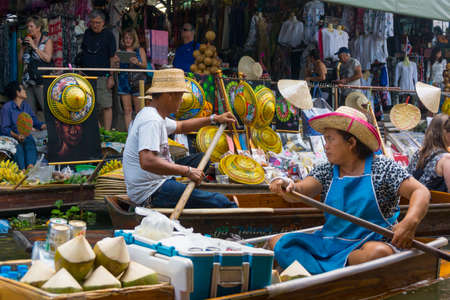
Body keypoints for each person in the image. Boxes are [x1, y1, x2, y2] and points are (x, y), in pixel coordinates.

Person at [268, 106, 430, 275]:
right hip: (330, 242)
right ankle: (327, 273)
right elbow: (301, 190)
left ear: (351, 143)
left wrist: (410, 222)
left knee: (377, 254)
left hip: (369, 244)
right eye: (325, 140)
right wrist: (286, 185)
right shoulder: (327, 170)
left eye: (330, 139)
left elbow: (421, 192)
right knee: (278, 242)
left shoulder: (382, 168)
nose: (326, 146)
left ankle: (311, 272)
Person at [123, 68, 237, 208]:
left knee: (202, 158)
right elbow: (147, 161)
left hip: (160, 179)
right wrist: (187, 171)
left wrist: (215, 118)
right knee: (220, 201)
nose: (182, 100)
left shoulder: (156, 115)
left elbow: (181, 126)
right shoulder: (151, 120)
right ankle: (231, 208)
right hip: (152, 191)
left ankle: (186, 188)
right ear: (169, 95)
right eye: (180, 95)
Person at [79, 10, 117, 130]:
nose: (95, 25)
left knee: (106, 105)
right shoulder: (87, 33)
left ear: (103, 23)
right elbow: (83, 52)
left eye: (98, 23)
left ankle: (107, 132)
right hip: (87, 75)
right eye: (93, 22)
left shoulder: (109, 35)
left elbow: (112, 57)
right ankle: (98, 132)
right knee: (89, 106)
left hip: (103, 76)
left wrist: (111, 76)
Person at [0, 81, 47, 169]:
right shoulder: (7, 108)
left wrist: (44, 126)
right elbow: (4, 128)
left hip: (24, 136)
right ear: (18, 93)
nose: (25, 91)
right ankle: (21, 171)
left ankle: (30, 168)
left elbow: (35, 122)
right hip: (11, 137)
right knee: (18, 149)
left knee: (30, 143)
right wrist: (17, 136)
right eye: (23, 89)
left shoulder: (26, 106)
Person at [18, 15, 53, 120]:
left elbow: (47, 58)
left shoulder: (47, 41)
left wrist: (34, 46)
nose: (29, 29)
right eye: (28, 27)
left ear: (38, 28)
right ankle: (31, 133)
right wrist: (22, 48)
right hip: (28, 81)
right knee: (29, 111)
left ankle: (51, 133)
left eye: (31, 26)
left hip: (41, 81)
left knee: (46, 108)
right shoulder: (28, 41)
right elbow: (20, 61)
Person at [407, 114, 450, 193]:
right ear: (444, 132)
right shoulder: (446, 159)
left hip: (415, 201)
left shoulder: (419, 153)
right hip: (438, 204)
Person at [117, 28, 148, 131]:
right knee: (127, 110)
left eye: (130, 38)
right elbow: (114, 68)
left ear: (134, 39)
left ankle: (139, 132)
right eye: (126, 38)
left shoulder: (140, 50)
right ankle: (129, 133)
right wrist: (116, 62)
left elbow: (145, 65)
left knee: (139, 111)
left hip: (137, 81)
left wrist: (137, 62)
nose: (128, 40)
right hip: (123, 82)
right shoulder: (120, 51)